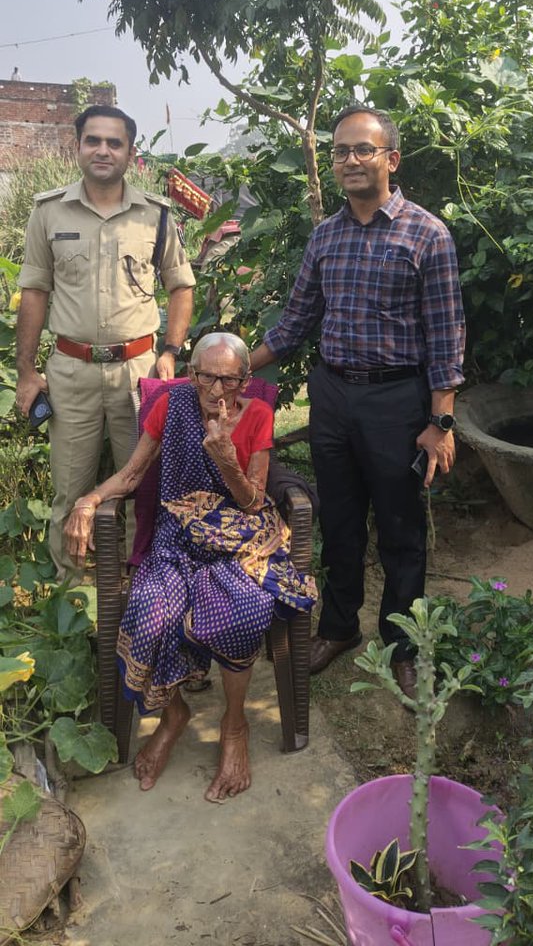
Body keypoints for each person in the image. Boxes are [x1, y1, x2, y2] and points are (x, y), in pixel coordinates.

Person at [249, 105, 465, 698]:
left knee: (400, 529)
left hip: (398, 399)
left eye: (362, 150)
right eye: (341, 150)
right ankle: (340, 627)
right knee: (338, 521)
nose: (348, 160)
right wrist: (233, 364)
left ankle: (400, 646)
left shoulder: (427, 234)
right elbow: (294, 324)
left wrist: (440, 422)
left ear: (390, 159)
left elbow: (447, 336)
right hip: (334, 396)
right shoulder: (326, 236)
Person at [63, 333, 316, 800]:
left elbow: (253, 501)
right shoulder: (173, 406)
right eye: (206, 376)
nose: (217, 389)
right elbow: (134, 473)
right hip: (175, 538)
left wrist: (227, 460)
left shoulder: (256, 416)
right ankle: (172, 713)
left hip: (236, 540)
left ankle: (235, 724)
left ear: (245, 380)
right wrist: (90, 498)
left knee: (243, 612)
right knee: (149, 608)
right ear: (192, 373)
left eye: (229, 379)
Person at [15, 105, 195, 580]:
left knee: (144, 487)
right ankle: (74, 597)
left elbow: (181, 286)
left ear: (130, 153)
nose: (103, 150)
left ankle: (143, 592)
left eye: (114, 143)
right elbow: (34, 292)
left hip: (138, 373)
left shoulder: (155, 216)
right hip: (70, 374)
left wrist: (171, 351)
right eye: (93, 140)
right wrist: (27, 372)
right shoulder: (48, 212)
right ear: (77, 147)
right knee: (69, 490)